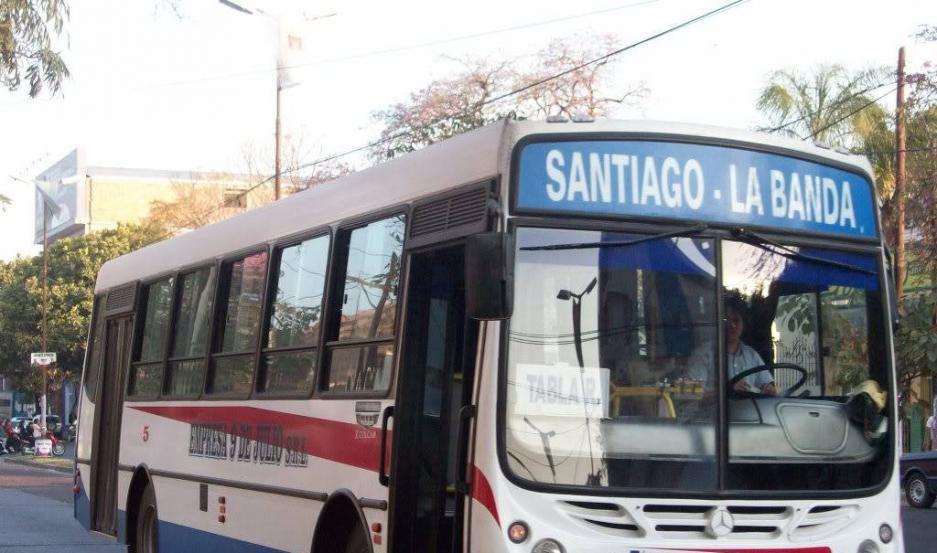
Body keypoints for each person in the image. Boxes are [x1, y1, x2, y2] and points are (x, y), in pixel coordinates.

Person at [688, 295, 777, 395]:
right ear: (717, 322)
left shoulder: (751, 355)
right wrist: (726, 391)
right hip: (713, 411)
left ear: (743, 324)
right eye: (725, 320)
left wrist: (768, 388)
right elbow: (691, 395)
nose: (732, 325)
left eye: (736, 320)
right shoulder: (703, 354)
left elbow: (765, 384)